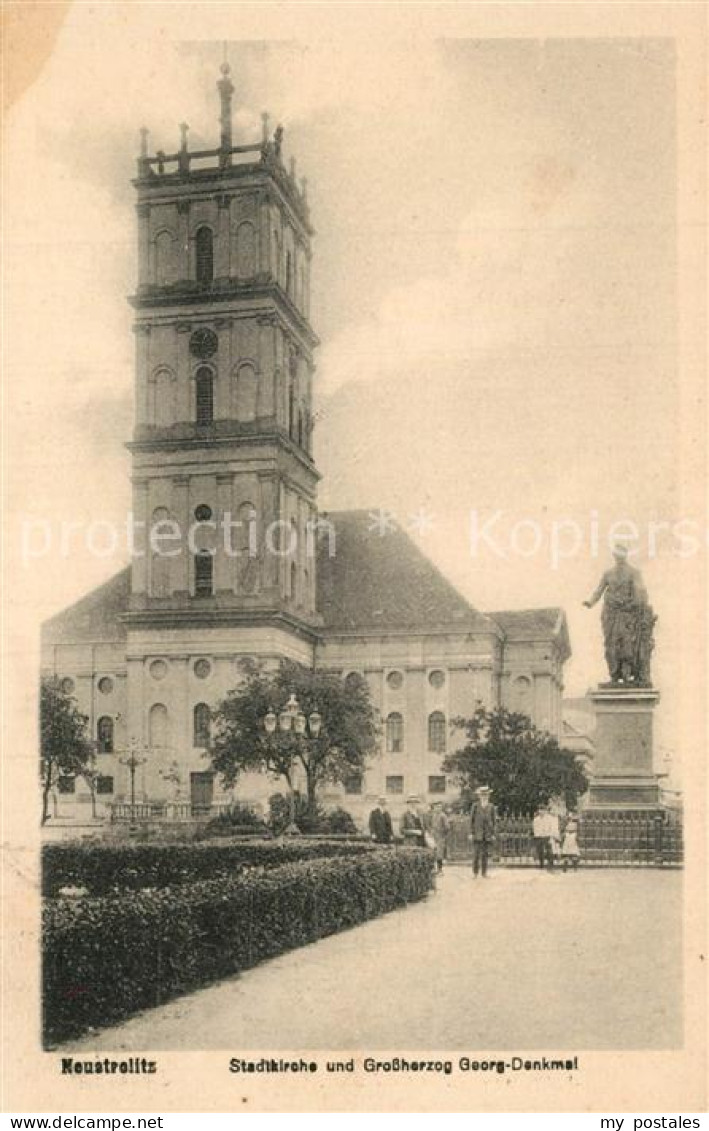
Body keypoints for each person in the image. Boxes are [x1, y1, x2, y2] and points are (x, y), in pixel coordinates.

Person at [470, 786, 496, 877]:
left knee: (485, 855)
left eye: (486, 795)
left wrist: (493, 833)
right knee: (476, 855)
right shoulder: (475, 806)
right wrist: (471, 833)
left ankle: (484, 873)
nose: (484, 797)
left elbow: (494, 821)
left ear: (488, 796)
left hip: (487, 834)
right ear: (479, 796)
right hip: (477, 834)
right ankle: (475, 873)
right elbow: (471, 820)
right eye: (482, 795)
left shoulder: (491, 806)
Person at [532, 805, 556, 870]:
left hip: (547, 836)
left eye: (543, 810)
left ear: (545, 811)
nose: (541, 811)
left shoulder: (549, 818)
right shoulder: (536, 819)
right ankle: (541, 864)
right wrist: (537, 835)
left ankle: (550, 865)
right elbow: (535, 828)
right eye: (540, 810)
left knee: (549, 851)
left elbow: (551, 827)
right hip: (539, 836)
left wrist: (550, 835)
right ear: (538, 811)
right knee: (540, 851)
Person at [429, 802, 450, 873]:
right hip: (434, 836)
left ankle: (440, 870)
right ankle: (433, 869)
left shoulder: (443, 816)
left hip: (440, 837)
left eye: (439, 807)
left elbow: (447, 827)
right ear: (434, 808)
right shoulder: (433, 815)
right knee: (433, 852)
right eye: (436, 807)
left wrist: (442, 834)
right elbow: (431, 825)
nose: (438, 808)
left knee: (439, 854)